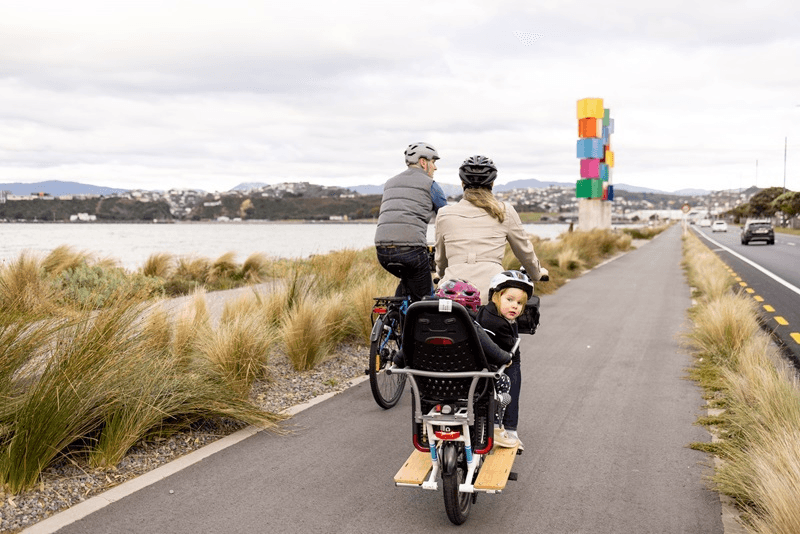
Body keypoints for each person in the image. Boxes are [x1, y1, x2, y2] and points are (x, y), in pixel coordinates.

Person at [434, 155, 548, 305]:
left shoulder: (444, 214)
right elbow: (525, 252)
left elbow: (441, 259)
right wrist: (537, 274)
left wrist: (442, 274)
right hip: (491, 293)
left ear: (462, 183)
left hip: (452, 294)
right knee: (506, 324)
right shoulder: (505, 211)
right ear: (492, 183)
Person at [374, 142, 448, 302]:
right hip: (411, 251)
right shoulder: (430, 185)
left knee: (408, 282)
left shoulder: (390, 183)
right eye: (433, 162)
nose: (435, 168)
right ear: (423, 162)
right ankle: (416, 324)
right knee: (426, 300)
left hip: (382, 251)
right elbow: (447, 216)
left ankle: (393, 321)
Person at [391, 279, 513, 370]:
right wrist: (505, 358)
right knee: (503, 381)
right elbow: (490, 349)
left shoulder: (421, 326)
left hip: (429, 381)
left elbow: (407, 345)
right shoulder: (471, 326)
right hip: (466, 381)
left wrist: (397, 361)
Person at [475, 270, 533, 450]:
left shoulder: (485, 312)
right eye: (510, 300)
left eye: (520, 303)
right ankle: (506, 427)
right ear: (496, 296)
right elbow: (508, 352)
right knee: (513, 370)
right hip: (490, 365)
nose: (515, 306)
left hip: (478, 361)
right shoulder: (499, 324)